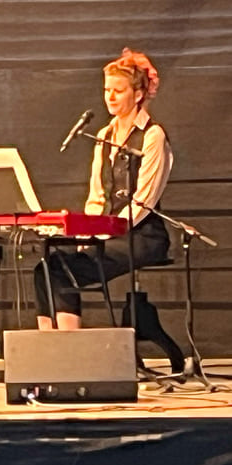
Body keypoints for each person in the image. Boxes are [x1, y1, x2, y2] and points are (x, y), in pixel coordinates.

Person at [34, 48, 173, 329]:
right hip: (107, 232)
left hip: (142, 235)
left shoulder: (152, 135)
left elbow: (144, 200)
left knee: (63, 270)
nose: (110, 96)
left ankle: (68, 351)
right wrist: (85, 231)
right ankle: (49, 351)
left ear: (137, 95)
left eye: (118, 90)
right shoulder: (104, 135)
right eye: (107, 89)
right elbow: (96, 195)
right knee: (46, 268)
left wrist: (102, 231)